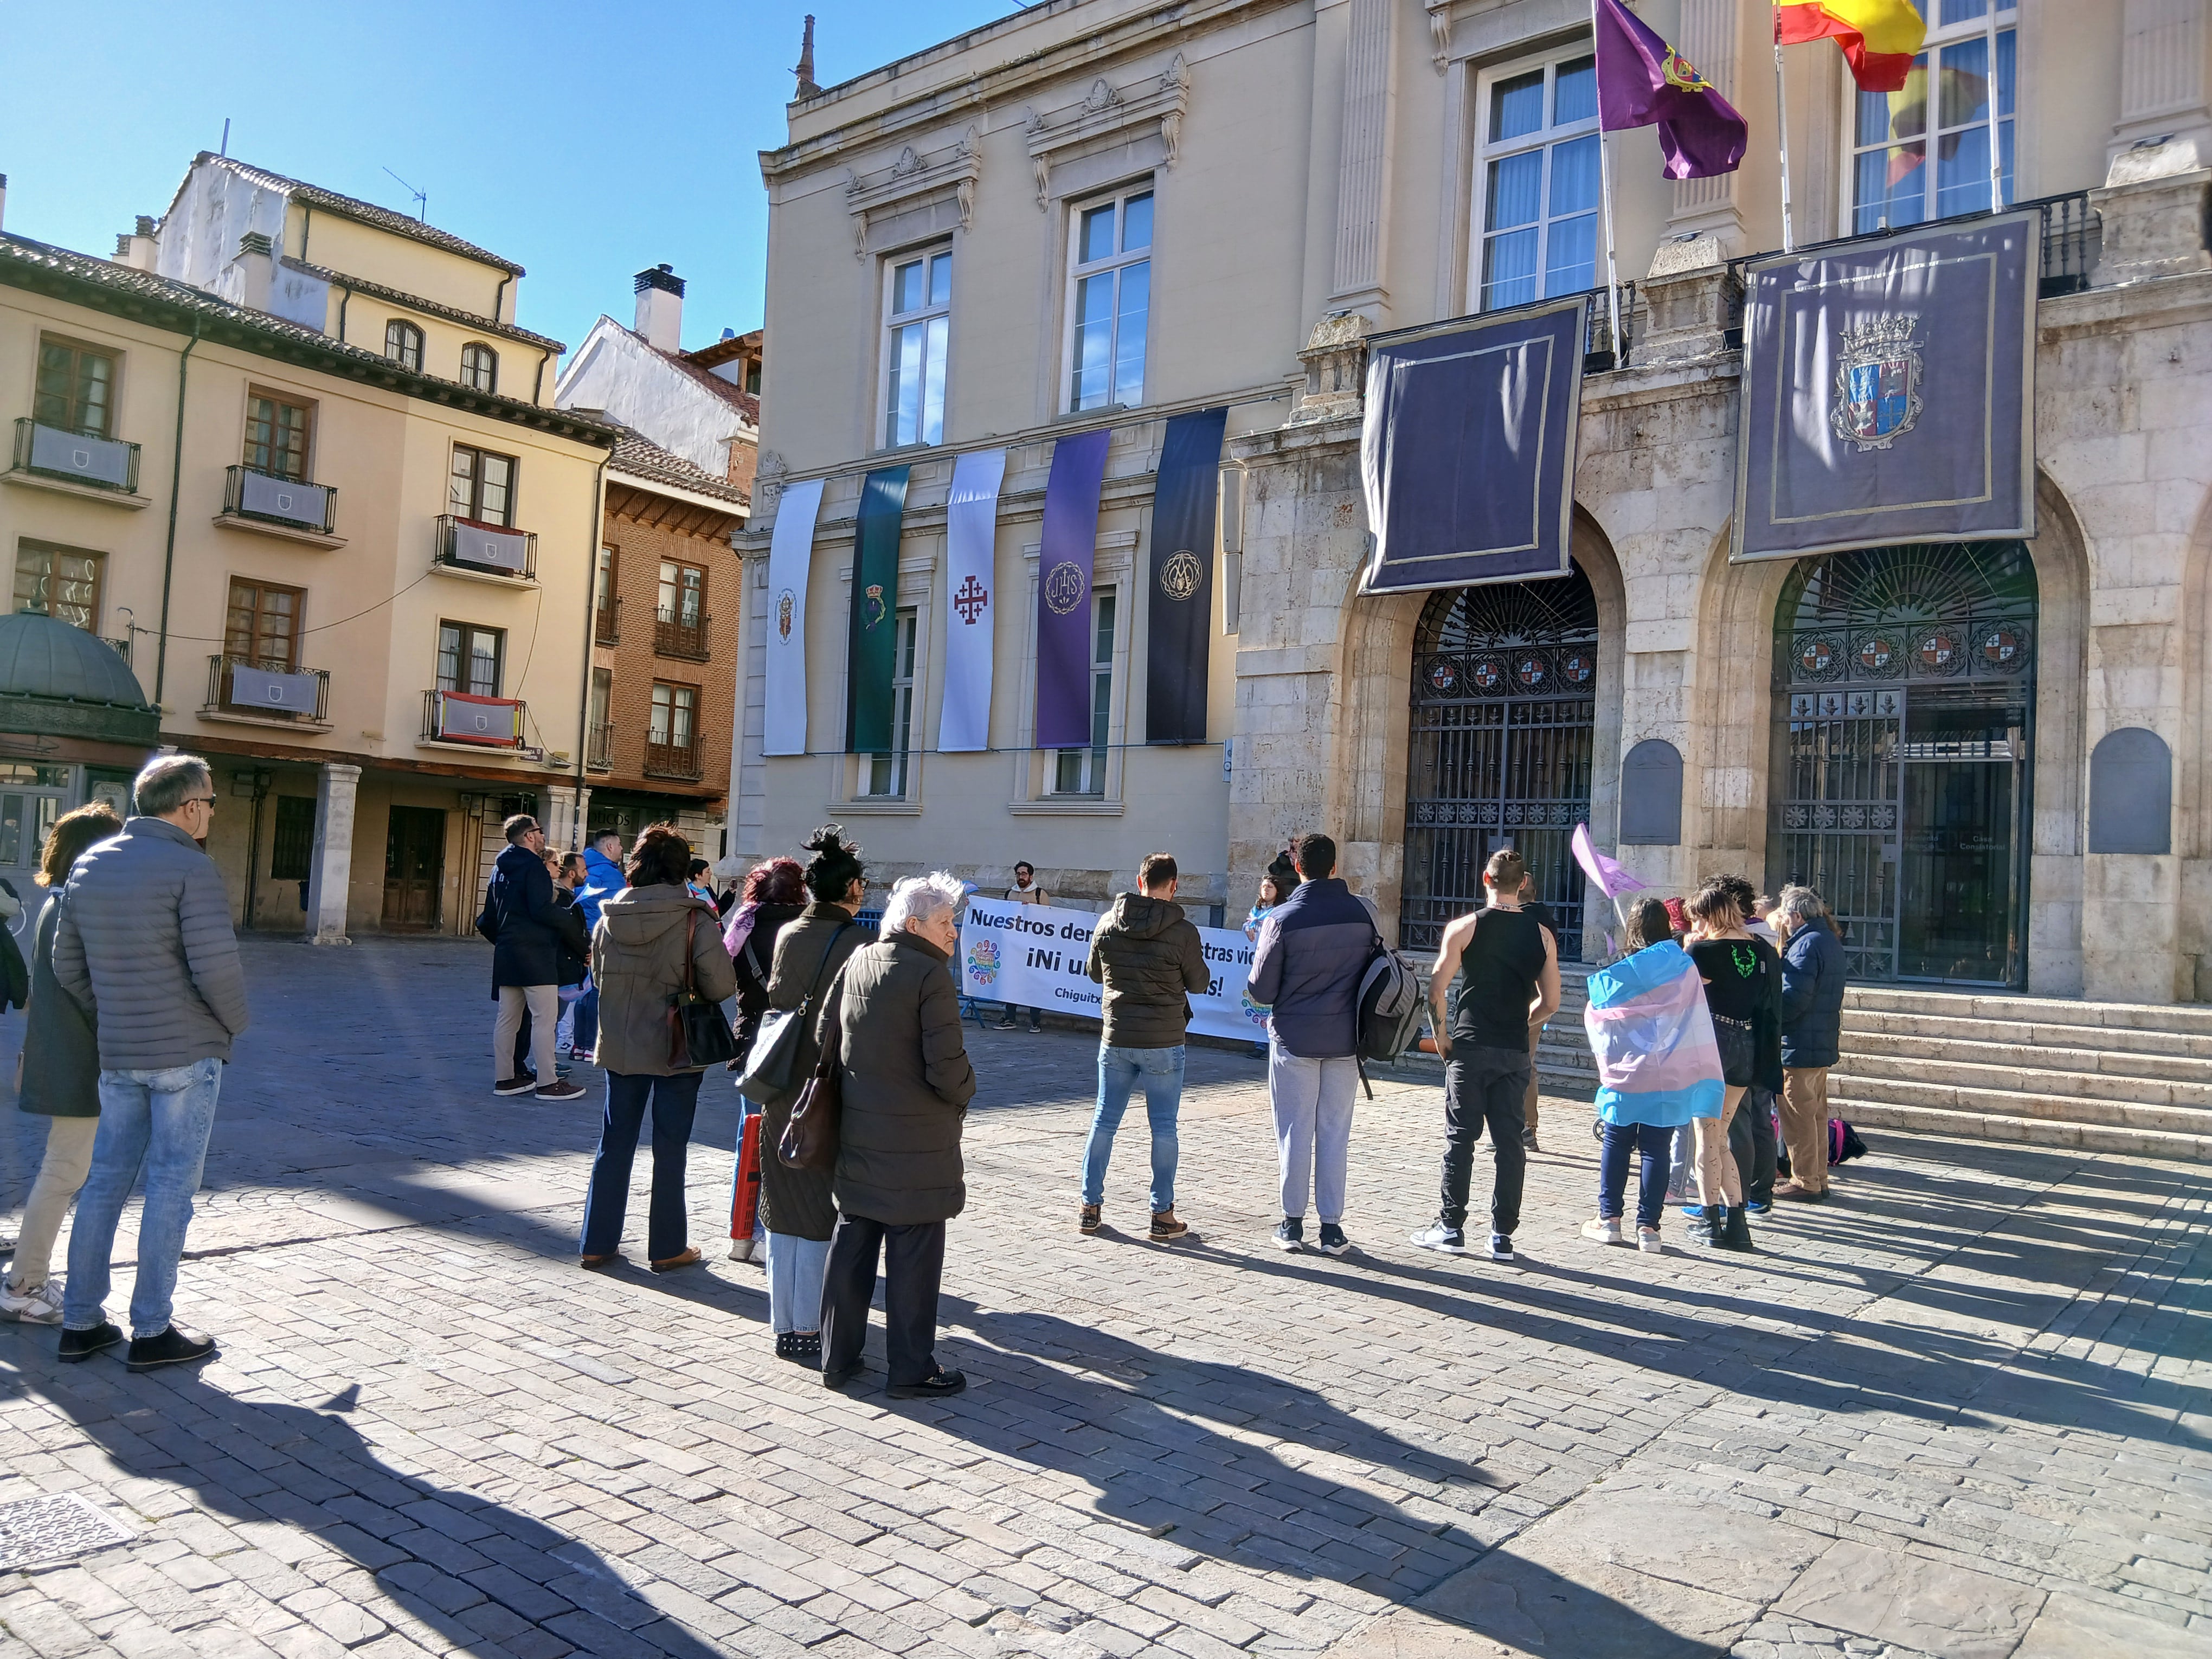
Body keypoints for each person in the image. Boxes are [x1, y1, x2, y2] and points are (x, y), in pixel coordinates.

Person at [52, 754, 249, 1372]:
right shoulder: (191, 867)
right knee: (170, 1187)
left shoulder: (89, 864)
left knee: (106, 1180)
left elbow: (68, 968)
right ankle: (152, 1328)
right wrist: (235, 1023)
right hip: (186, 1050)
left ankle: (81, 1322)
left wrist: (112, 1012)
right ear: (190, 806)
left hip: (122, 1051)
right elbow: (214, 965)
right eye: (210, 802)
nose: (212, 812)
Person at [819, 871, 976, 1398]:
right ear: (915, 925)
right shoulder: (931, 976)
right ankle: (910, 1368)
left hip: (861, 1132)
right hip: (917, 1145)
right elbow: (947, 1067)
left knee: (854, 1241)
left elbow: (827, 1038)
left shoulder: (860, 959)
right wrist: (968, 1088)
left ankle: (837, 1355)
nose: (954, 932)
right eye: (946, 922)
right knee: (914, 1253)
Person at [577, 824, 736, 1272]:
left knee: (615, 1143)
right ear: (681, 869)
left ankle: (596, 1241)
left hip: (622, 1044)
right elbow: (721, 984)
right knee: (671, 1148)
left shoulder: (609, 919)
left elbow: (599, 981)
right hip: (676, 1047)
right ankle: (667, 1247)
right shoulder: (695, 918)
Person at [0, 803, 123, 1324]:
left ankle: (28, 1277)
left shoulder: (59, 902)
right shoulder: (75, 905)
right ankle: (25, 1283)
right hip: (76, 1060)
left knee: (66, 1168)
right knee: (64, 1169)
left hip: (63, 1055)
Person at [1411, 847, 1561, 1264]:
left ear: (1485, 879)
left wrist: (1442, 1036)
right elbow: (1551, 1002)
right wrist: (1522, 1021)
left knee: (1461, 1138)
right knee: (1510, 1143)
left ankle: (1451, 1227)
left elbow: (1436, 989)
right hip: (1514, 1048)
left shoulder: (1464, 928)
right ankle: (1501, 1236)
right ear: (1524, 882)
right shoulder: (1542, 935)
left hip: (1471, 1044)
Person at [758, 828, 870, 1362]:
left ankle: (787, 1324)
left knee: (783, 1206)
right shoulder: (859, 945)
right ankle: (813, 1325)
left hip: (783, 1087)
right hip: (831, 1092)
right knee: (825, 1209)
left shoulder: (788, 934)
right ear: (850, 889)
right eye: (862, 884)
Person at [1247, 833, 1378, 1256]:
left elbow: (1262, 990)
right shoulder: (1365, 913)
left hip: (1295, 1038)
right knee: (1335, 1132)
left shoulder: (1282, 919)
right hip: (1346, 1038)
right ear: (1335, 867)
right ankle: (1332, 1227)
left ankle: (1292, 1223)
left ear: (1298, 868)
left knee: (1294, 1130)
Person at [1078, 852, 1209, 1242]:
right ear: (1174, 885)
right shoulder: (1183, 931)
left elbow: (1093, 974)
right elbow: (1199, 983)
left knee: (1104, 1121)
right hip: (1164, 1040)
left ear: (1139, 882)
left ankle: (1089, 1208)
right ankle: (1162, 1214)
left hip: (1117, 1036)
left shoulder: (1107, 922)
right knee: (1164, 1128)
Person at [1580, 897, 1721, 1253]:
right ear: (1665, 927)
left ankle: (1609, 1219)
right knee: (1657, 1148)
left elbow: (1598, 1013)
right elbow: (1693, 1012)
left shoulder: (1620, 969)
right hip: (1670, 1070)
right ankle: (1650, 1228)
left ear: (1633, 929)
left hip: (1627, 1072)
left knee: (1617, 1142)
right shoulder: (1684, 966)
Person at [1681, 879, 1781, 1251]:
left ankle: (1711, 1221)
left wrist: (1689, 950)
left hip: (1712, 1044)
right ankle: (1737, 1223)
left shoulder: (1703, 951)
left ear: (1708, 916)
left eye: (1698, 919)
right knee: (1720, 1135)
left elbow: (1685, 994)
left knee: (1707, 1136)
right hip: (1748, 1044)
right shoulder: (1762, 950)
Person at [726, 856, 808, 1266]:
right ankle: (789, 1230)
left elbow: (722, 978)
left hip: (754, 1041)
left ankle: (744, 1233)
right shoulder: (809, 930)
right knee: (796, 1135)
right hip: (798, 1045)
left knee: (752, 1135)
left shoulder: (743, 925)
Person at [487, 815, 586, 1103]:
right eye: (540, 832)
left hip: (507, 950)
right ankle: (548, 1082)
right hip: (535, 952)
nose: (543, 837)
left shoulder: (500, 867)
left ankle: (505, 1078)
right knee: (545, 1019)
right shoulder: (534, 867)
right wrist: (569, 922)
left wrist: (504, 939)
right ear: (529, 836)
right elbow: (542, 909)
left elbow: (490, 914)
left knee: (507, 1019)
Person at [1773, 883, 1847, 1202]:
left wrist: (1770, 1017)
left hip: (1799, 1043)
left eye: (1787, 917)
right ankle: (1818, 1177)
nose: (1785, 923)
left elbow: (1793, 999)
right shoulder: (1828, 940)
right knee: (1815, 1115)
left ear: (1797, 915)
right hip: (1819, 1040)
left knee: (1798, 1115)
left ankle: (1805, 1181)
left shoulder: (1805, 945)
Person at [1714, 873, 1779, 1212]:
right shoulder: (1766, 945)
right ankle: (1760, 1192)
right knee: (1759, 1118)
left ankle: (1733, 1196)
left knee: (1734, 1122)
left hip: (1735, 1038)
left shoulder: (1733, 947)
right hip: (1762, 1037)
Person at [570, 829, 627, 1064]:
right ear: (610, 847)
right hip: (602, 938)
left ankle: (579, 1044)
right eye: (621, 845)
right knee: (597, 991)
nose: (623, 850)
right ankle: (592, 1044)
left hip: (582, 935)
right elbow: (619, 911)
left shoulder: (586, 868)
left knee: (584, 992)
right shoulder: (610, 874)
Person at [1515, 871, 1560, 1155]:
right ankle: (1527, 1127)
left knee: (1518, 1065)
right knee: (1526, 1064)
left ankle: (1518, 1127)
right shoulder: (1546, 919)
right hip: (1541, 1000)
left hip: (1522, 1000)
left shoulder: (1521, 920)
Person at [994, 861, 1050, 1031]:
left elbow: (1049, 921)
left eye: (1024, 874)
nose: (1021, 877)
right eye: (1018, 874)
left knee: (1033, 984)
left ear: (1031, 876)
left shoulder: (1040, 895)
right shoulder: (1009, 894)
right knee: (1012, 983)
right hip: (1014, 948)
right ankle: (1010, 1018)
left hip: (1033, 948)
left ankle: (1035, 1020)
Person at [548, 851, 591, 1059]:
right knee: (550, 1018)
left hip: (566, 963)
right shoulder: (561, 897)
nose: (587, 874)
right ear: (572, 874)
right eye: (584, 870)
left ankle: (548, 1063)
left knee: (555, 1016)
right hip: (560, 965)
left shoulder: (569, 896)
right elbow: (570, 933)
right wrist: (587, 950)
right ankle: (544, 1064)